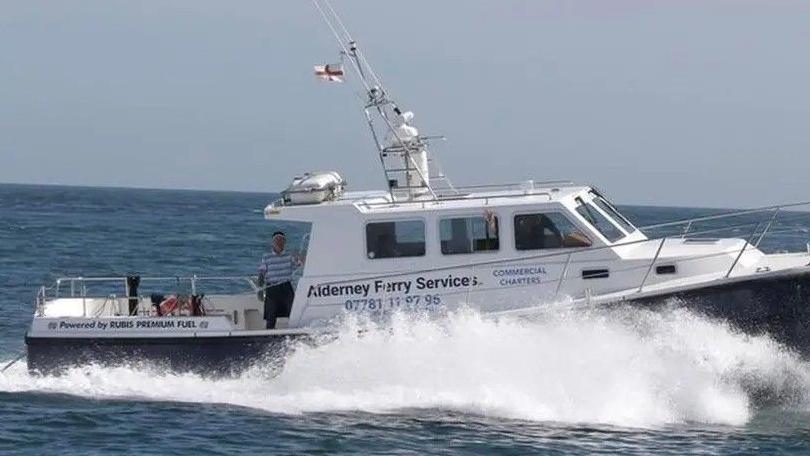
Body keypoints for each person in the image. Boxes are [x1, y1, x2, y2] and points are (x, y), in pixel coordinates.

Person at [258, 231, 298, 329]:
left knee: (292, 311)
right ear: (273, 242)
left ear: (284, 243)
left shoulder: (289, 256)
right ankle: (269, 335)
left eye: (281, 240)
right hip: (272, 287)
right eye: (277, 240)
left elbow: (299, 265)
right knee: (271, 314)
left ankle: (294, 332)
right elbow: (262, 273)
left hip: (286, 286)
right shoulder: (266, 256)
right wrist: (260, 289)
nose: (279, 243)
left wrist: (300, 256)